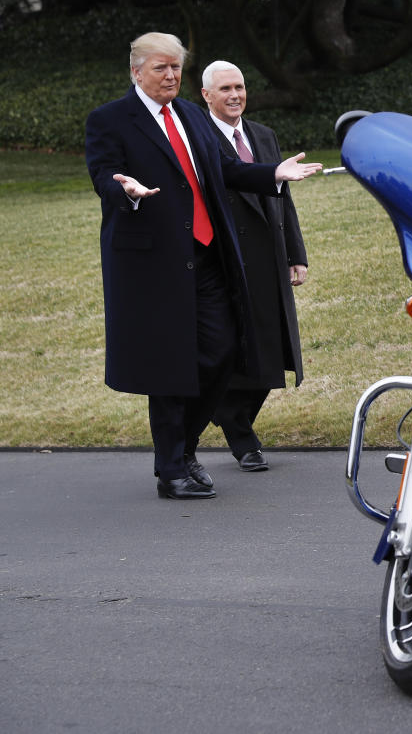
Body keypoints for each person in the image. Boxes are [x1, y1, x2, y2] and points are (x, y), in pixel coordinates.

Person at [85, 32, 322, 500]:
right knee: (169, 368)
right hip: (153, 265)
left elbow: (227, 171)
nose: (171, 75)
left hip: (208, 257)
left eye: (176, 68)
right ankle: (172, 470)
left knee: (223, 353)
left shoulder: (192, 115)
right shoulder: (111, 120)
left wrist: (273, 173)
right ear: (137, 72)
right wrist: (125, 191)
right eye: (160, 68)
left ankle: (185, 448)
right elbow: (102, 175)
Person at [201, 60, 307, 472]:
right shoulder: (200, 138)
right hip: (226, 260)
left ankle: (228, 415)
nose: (234, 95)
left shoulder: (264, 135)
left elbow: (283, 196)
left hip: (270, 257)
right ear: (207, 96)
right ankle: (242, 437)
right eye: (224, 89)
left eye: (240, 87)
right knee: (240, 351)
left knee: (273, 350)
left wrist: (296, 253)